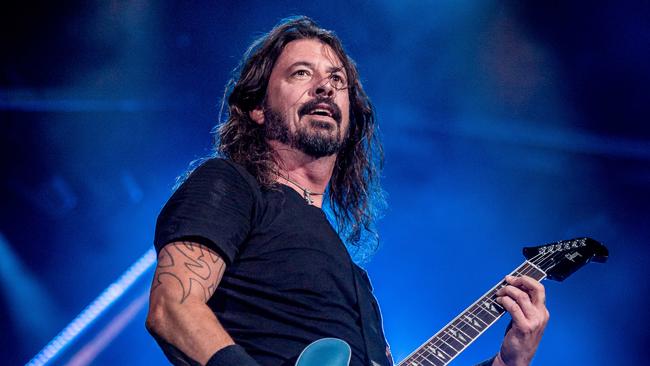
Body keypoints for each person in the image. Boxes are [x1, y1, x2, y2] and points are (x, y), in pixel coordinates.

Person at [145, 16, 549, 366]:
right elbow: (173, 307)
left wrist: (508, 361)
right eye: (301, 73)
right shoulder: (230, 185)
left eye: (337, 79)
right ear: (258, 108)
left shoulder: (352, 278)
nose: (325, 87)